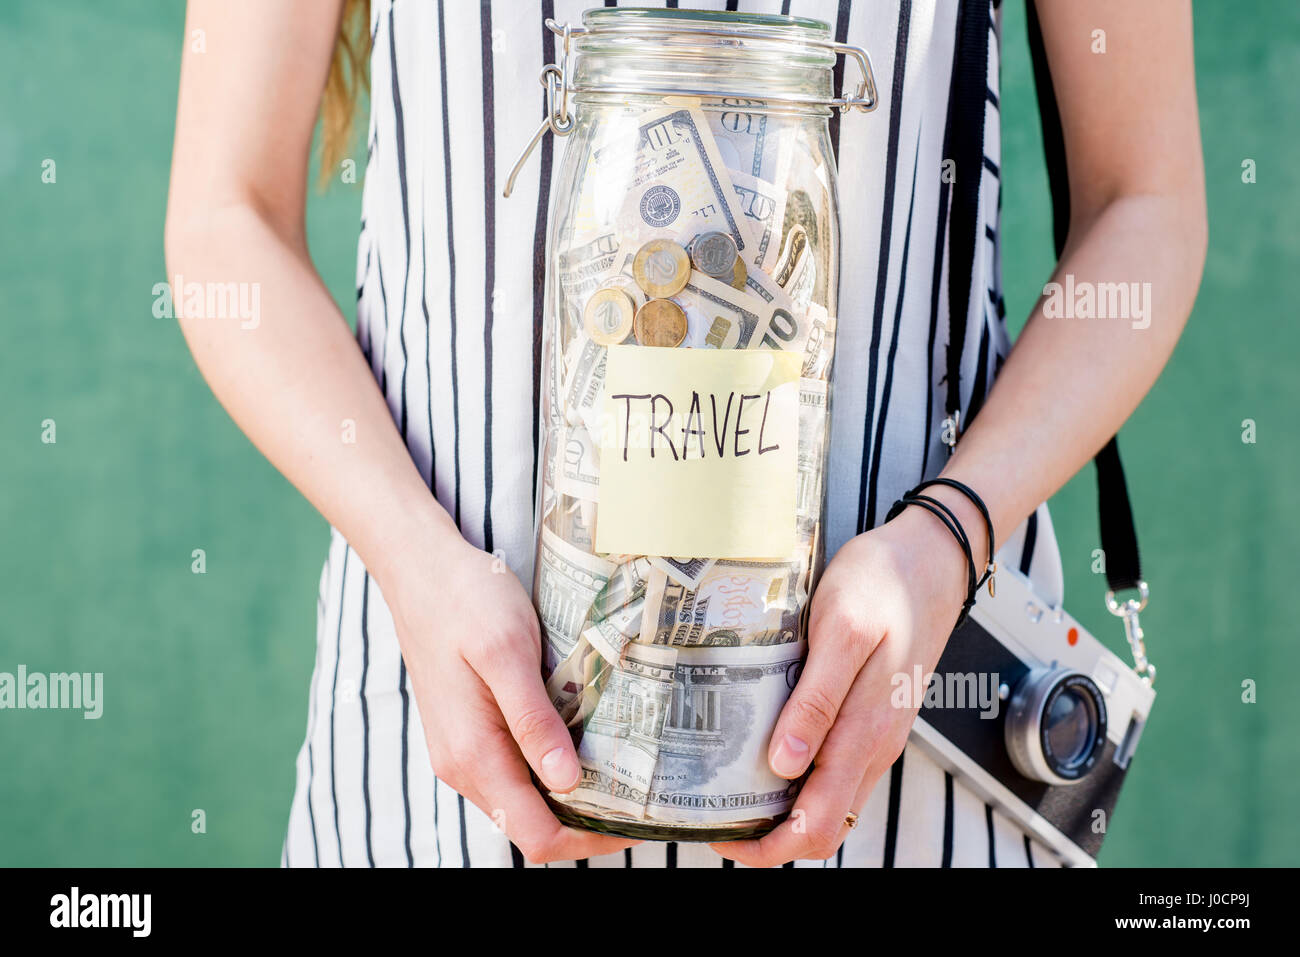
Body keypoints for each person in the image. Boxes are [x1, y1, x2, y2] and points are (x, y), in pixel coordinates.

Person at [165, 0, 1205, 867]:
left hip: (907, 753)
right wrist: (405, 552)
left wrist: (948, 536)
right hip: (437, 749)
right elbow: (228, 217)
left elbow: (1142, 199)